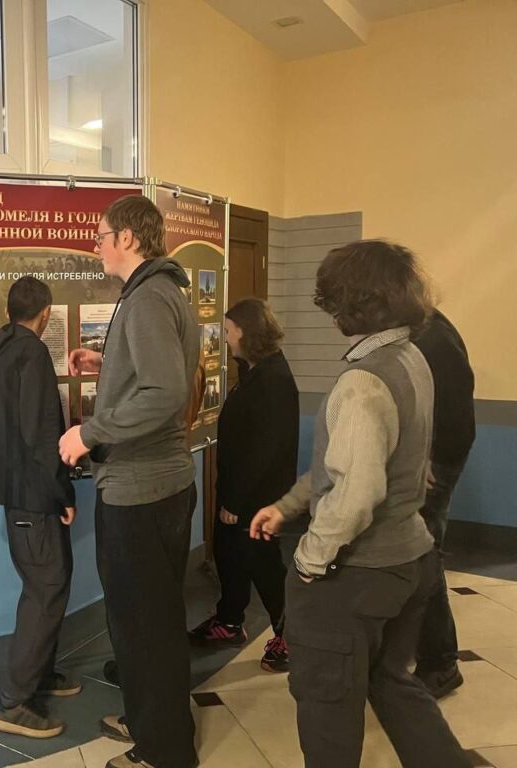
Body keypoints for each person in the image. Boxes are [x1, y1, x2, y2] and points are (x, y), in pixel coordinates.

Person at [249, 240, 467, 768]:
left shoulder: (363, 382)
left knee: (326, 708)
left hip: (357, 577)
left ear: (349, 301)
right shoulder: (411, 356)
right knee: (392, 683)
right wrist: (289, 505)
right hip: (410, 561)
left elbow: (357, 493)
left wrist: (309, 562)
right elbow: (348, 466)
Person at [59, 195, 198, 768]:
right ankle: (153, 721)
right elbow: (157, 373)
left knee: (142, 625)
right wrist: (106, 362)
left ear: (128, 239)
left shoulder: (146, 298)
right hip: (158, 485)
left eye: (101, 236)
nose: (96, 246)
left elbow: (164, 393)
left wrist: (89, 434)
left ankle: (163, 748)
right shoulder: (161, 292)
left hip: (140, 491)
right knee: (154, 619)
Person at [0, 276, 80, 739]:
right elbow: (41, 435)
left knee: (47, 584)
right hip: (34, 494)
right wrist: (63, 493)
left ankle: (38, 675)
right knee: (46, 589)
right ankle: (15, 701)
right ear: (45, 314)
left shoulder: (0, 345)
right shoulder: (33, 353)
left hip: (18, 493)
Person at [188, 299, 299, 672]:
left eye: (228, 330)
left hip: (256, 498)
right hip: (240, 491)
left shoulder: (273, 380)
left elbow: (262, 452)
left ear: (247, 333)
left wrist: (235, 502)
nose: (225, 337)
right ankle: (229, 622)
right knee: (229, 554)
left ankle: (290, 635)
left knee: (263, 563)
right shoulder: (254, 371)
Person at [413, 309, 476, 698]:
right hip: (427, 462)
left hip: (435, 466)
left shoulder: (434, 337)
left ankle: (440, 662)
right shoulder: (423, 331)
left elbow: (454, 419)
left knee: (422, 557)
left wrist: (429, 457)